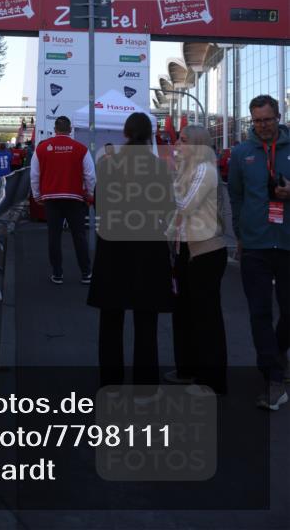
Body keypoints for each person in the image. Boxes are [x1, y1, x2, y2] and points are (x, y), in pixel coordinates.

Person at [87, 113, 174, 390]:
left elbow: (99, 204)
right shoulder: (160, 168)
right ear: (150, 135)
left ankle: (110, 382)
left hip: (113, 249)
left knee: (110, 320)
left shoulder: (109, 165)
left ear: (125, 133)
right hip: (149, 250)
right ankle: (145, 384)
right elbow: (168, 208)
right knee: (146, 321)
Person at [228, 95, 290, 410]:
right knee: (259, 312)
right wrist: (240, 233)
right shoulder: (241, 153)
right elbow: (235, 198)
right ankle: (273, 377)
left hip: (288, 241)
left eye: (267, 119)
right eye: (256, 121)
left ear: (279, 116)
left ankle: (275, 355)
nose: (262, 126)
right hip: (256, 244)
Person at [165, 125, 228, 395]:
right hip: (186, 250)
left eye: (184, 140)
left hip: (206, 252)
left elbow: (184, 206)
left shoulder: (205, 170)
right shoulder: (188, 170)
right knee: (185, 313)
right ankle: (188, 369)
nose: (178, 143)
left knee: (206, 318)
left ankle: (211, 381)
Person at [30, 116, 95, 285]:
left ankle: (57, 273)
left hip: (51, 199)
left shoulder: (42, 148)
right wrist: (89, 194)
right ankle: (86, 273)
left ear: (55, 129)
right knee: (79, 236)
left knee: (54, 237)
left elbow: (34, 175)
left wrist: (37, 196)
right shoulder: (81, 149)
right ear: (70, 129)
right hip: (74, 198)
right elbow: (90, 176)